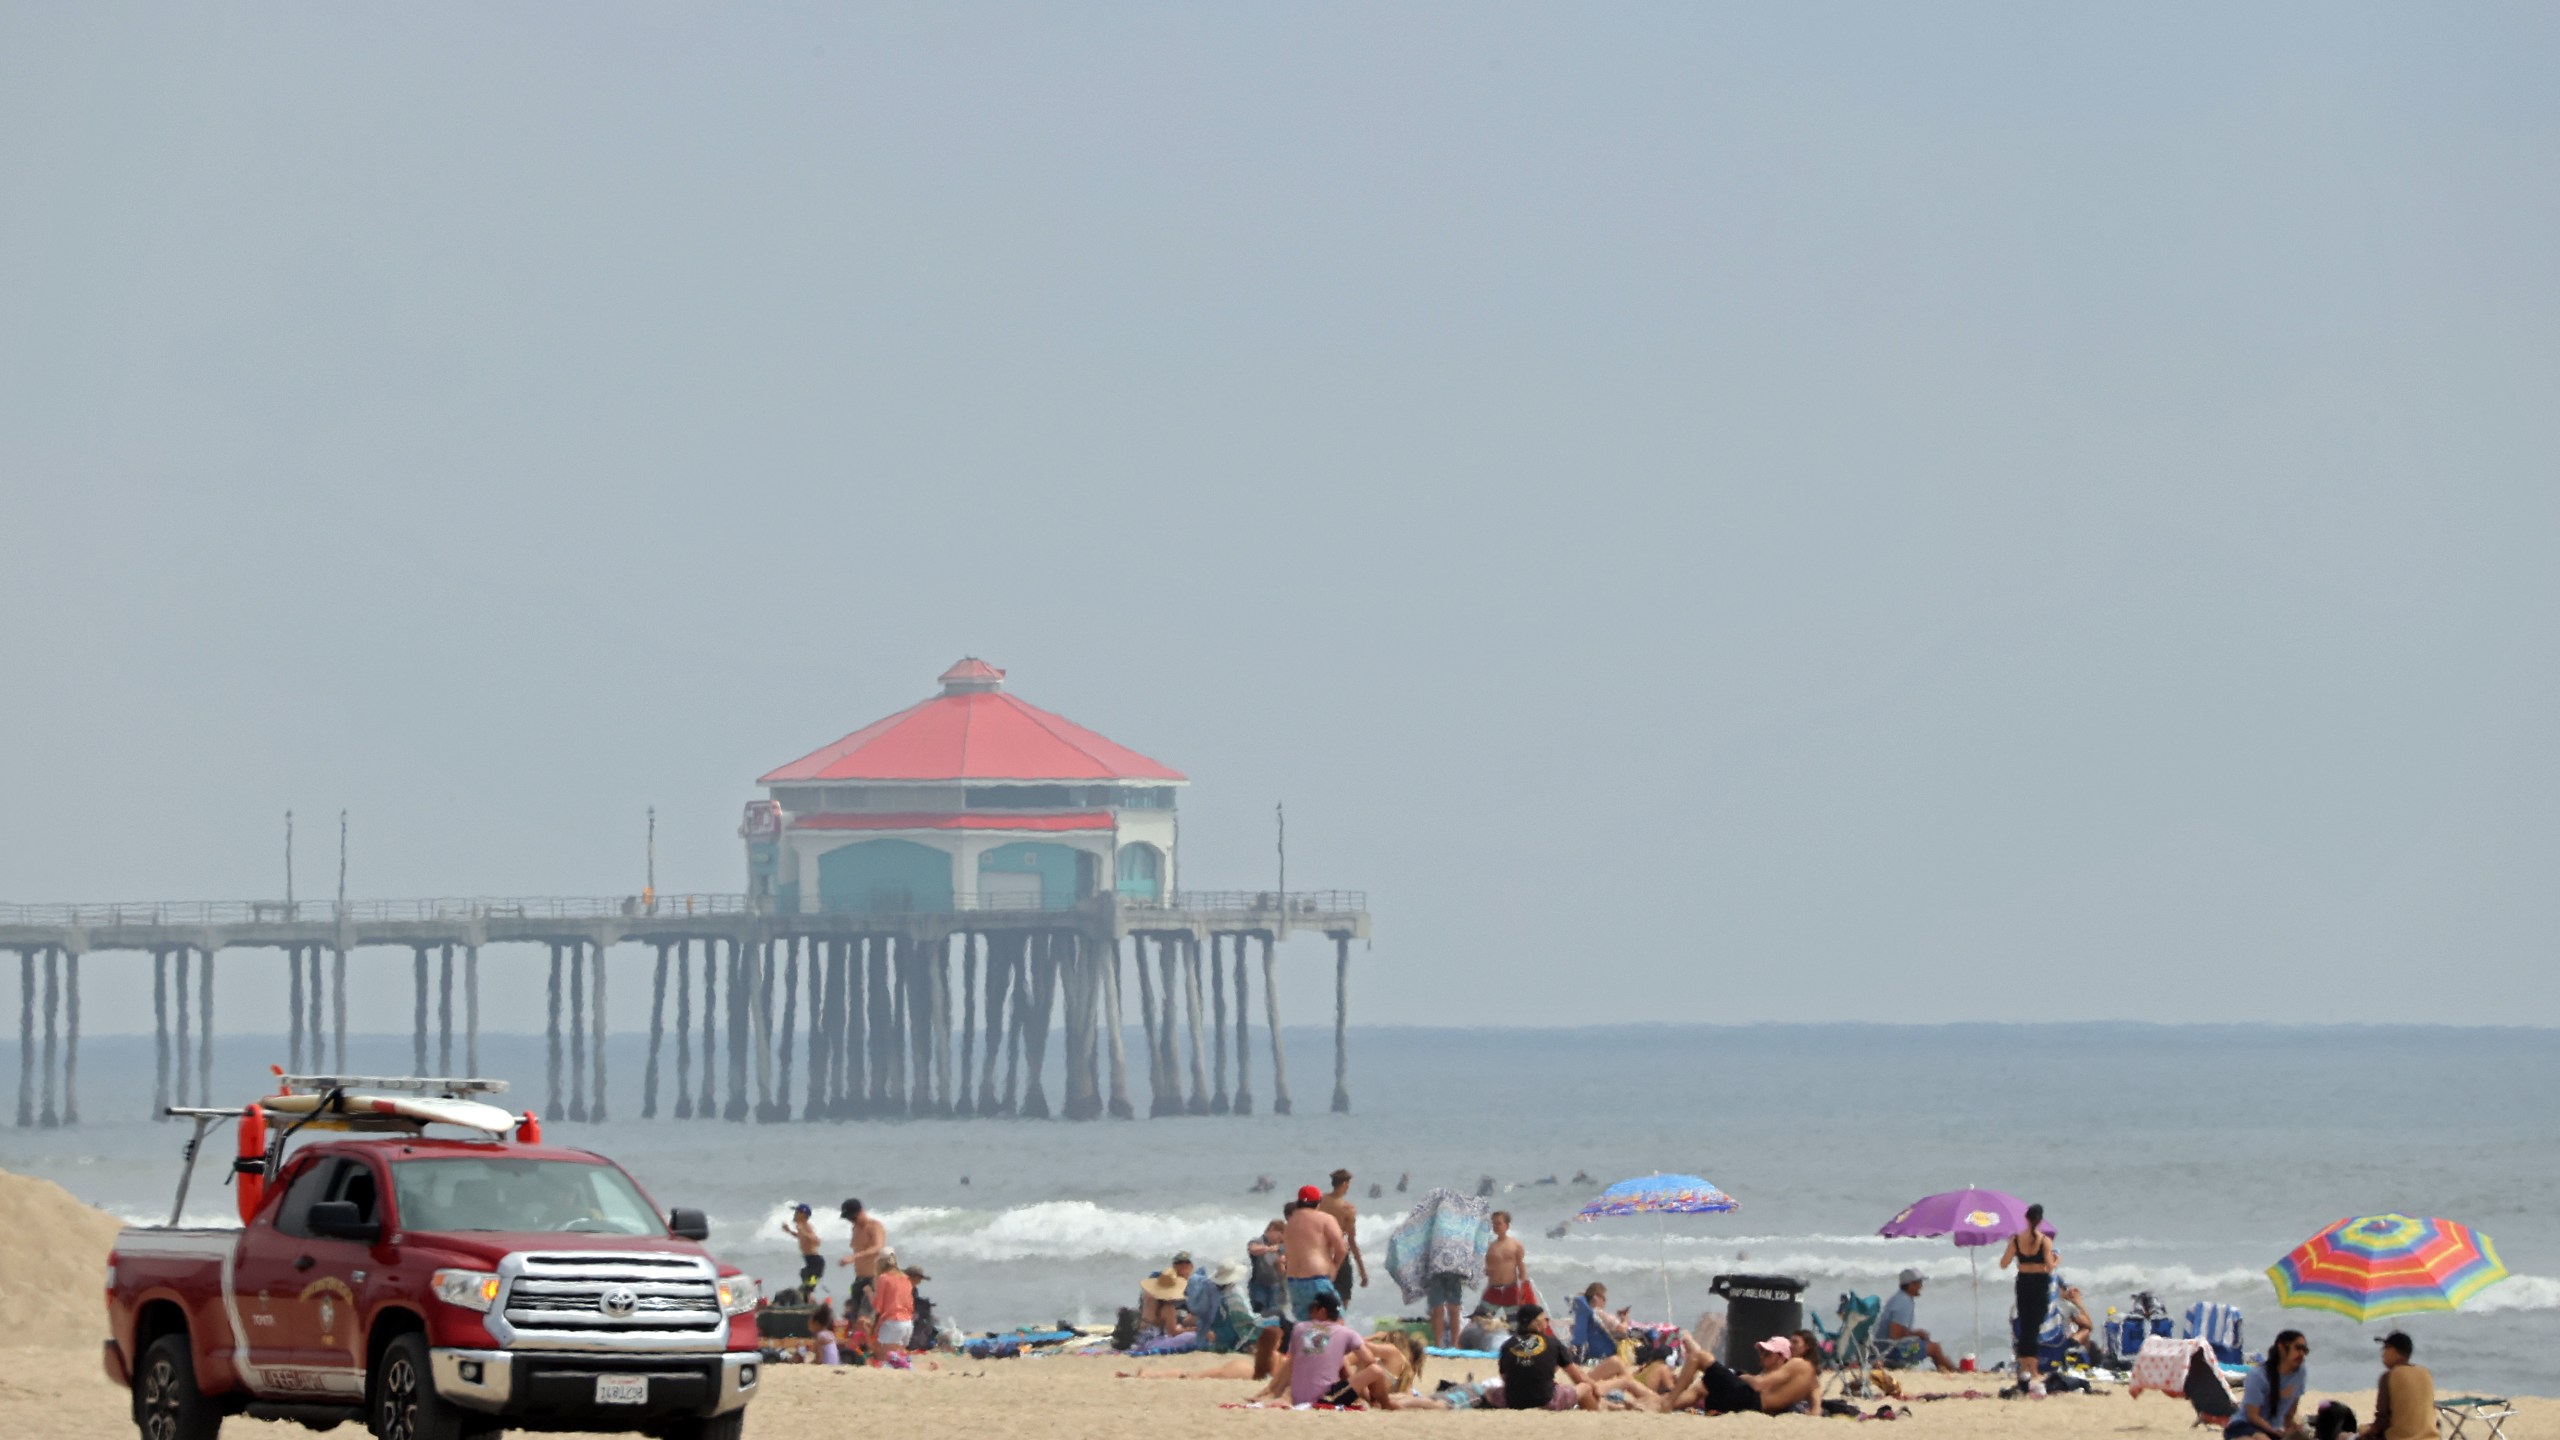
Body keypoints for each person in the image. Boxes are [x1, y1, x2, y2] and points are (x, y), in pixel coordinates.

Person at [1284, 1292, 1393, 1407]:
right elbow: (1370, 1360)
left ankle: (1373, 1401)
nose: (1310, 1312)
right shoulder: (1346, 1333)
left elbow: (1304, 1358)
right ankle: (1386, 1404)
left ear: (1322, 1311)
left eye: (1312, 1308)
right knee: (1375, 1370)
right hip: (1324, 1398)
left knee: (1341, 1363)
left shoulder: (1299, 1328)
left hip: (1297, 1398)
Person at [2000, 1203, 2059, 1395]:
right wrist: (2058, 1260)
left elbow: (2004, 1263)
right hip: (2039, 1283)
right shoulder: (2044, 1241)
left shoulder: (2016, 1239)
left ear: (2026, 1219)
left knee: (2025, 1325)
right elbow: (2050, 1266)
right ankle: (2032, 1369)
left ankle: (2023, 1368)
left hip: (2023, 1282)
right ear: (2040, 1220)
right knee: (2034, 1326)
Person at [1499, 1304, 1602, 1411]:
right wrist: (1595, 1387)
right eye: (1545, 1320)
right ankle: (1595, 1412)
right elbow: (1577, 1378)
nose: (1547, 1323)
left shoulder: (1507, 1345)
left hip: (1514, 1401)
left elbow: (1505, 1378)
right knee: (1585, 1387)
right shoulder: (1553, 1343)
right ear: (1536, 1324)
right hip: (1545, 1401)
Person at [2230, 1330, 2311, 1440]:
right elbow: (2252, 1416)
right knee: (2261, 1438)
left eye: (2304, 1350)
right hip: (2244, 1425)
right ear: (2281, 1348)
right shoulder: (2258, 1375)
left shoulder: (2300, 1373)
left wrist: (2292, 1428)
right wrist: (2273, 1431)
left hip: (2272, 1429)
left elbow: (2289, 1415)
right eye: (2298, 1348)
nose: (2301, 1353)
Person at [1282, 1185, 1349, 1319]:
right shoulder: (1325, 1219)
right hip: (1316, 1279)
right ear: (1318, 1202)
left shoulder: (1290, 1222)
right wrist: (1334, 1267)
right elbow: (1341, 1247)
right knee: (1336, 1323)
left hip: (1294, 1282)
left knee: (1306, 1327)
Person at [2359, 1331, 2436, 1440]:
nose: (2382, 1354)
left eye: (2385, 1349)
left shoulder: (2390, 1376)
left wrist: (2364, 1433)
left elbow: (2382, 1420)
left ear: (2393, 1350)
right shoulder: (2425, 1373)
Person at [1880, 1269, 1956, 1371]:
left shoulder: (1900, 1298)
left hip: (1886, 1347)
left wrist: (1916, 1334)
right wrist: (1914, 1334)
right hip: (1893, 1351)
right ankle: (1955, 1371)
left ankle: (1948, 1369)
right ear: (1911, 1284)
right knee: (1935, 1348)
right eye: (1919, 1283)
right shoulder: (1903, 1302)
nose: (1921, 1286)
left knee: (1928, 1344)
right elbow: (1895, 1334)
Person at [1318, 1168, 1369, 1295]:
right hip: (1338, 1256)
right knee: (1342, 1298)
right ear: (1345, 1184)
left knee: (1321, 1300)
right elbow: (1351, 1241)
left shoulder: (1319, 1201)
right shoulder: (1347, 1209)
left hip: (1319, 1253)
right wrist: (1362, 1270)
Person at [839, 1198, 889, 1313]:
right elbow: (857, 1248)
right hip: (859, 1277)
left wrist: (855, 1257)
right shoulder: (855, 1229)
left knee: (869, 1315)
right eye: (848, 1218)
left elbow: (878, 1247)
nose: (851, 1221)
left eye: (853, 1217)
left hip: (874, 1278)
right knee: (854, 1313)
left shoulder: (874, 1226)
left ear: (861, 1211)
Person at [1482, 1210, 1536, 1315]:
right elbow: (1486, 1268)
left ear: (1507, 1226)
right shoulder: (1490, 1246)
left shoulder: (1515, 1245)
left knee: (1514, 1325)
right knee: (1479, 1321)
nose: (1495, 1226)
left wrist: (1524, 1286)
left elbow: (1521, 1266)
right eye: (1493, 1224)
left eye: (1499, 1223)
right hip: (1493, 1289)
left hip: (1510, 1289)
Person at [869, 1251, 916, 1363]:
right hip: (908, 1323)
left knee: (884, 1360)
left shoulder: (883, 1278)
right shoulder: (906, 1278)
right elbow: (910, 1304)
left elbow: (879, 1307)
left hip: (893, 1323)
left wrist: (869, 1293)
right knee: (899, 1359)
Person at [1247, 1219, 1286, 1317]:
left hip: (1276, 1286)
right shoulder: (1257, 1241)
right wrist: (1269, 1249)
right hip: (1258, 1284)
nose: (1279, 1241)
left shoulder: (1281, 1246)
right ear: (1272, 1229)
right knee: (1259, 1313)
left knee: (1276, 1314)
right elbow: (1253, 1249)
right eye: (1279, 1237)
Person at [784, 1203, 824, 1296]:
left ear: (803, 1215)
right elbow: (801, 1237)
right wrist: (789, 1231)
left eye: (797, 1212)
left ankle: (809, 1301)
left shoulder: (806, 1226)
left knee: (809, 1285)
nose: (794, 1214)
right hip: (810, 1261)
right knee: (804, 1276)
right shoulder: (801, 1226)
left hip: (816, 1263)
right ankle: (808, 1301)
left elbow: (816, 1241)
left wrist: (803, 1232)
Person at [1139, 1269, 1190, 1339]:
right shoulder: (1168, 1308)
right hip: (1157, 1341)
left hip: (1144, 1339)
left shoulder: (1151, 1301)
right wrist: (1188, 1329)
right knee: (1193, 1336)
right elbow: (1173, 1332)